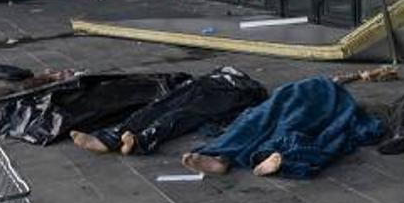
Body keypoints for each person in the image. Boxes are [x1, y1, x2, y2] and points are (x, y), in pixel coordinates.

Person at [181, 76, 385, 178]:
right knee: (254, 122)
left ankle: (250, 156)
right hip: (283, 103)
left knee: (278, 125)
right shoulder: (317, 86)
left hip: (299, 105)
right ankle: (221, 157)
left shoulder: (330, 91)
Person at [71, 67, 267, 156]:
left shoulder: (244, 90)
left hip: (222, 95)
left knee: (181, 113)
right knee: (160, 106)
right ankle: (111, 137)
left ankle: (140, 141)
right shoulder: (215, 79)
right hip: (207, 88)